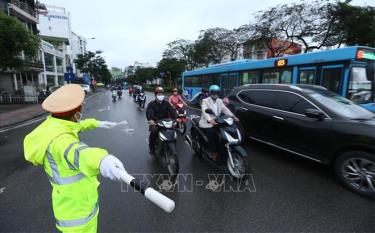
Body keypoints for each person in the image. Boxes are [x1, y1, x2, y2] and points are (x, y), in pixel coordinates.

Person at [23, 84, 127, 233]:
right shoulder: (60, 140)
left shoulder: (54, 125)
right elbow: (78, 152)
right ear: (76, 113)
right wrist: (102, 159)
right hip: (78, 215)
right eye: (80, 106)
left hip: (69, 204)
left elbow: (77, 126)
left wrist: (98, 123)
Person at [199, 85, 239, 161]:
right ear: (211, 93)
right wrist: (209, 119)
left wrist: (233, 116)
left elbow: (225, 109)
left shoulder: (219, 101)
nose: (215, 95)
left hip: (217, 122)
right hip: (207, 123)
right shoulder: (205, 101)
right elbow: (205, 110)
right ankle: (211, 150)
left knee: (225, 133)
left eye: (217, 93)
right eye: (214, 93)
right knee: (213, 135)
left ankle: (221, 149)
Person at [146, 87, 177, 155]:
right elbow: (149, 113)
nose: (161, 95)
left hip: (166, 121)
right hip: (156, 122)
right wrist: (151, 120)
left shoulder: (166, 103)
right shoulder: (151, 104)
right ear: (156, 95)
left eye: (162, 94)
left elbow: (172, 110)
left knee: (174, 129)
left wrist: (176, 117)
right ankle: (151, 148)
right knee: (153, 131)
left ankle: (173, 146)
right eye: (159, 94)